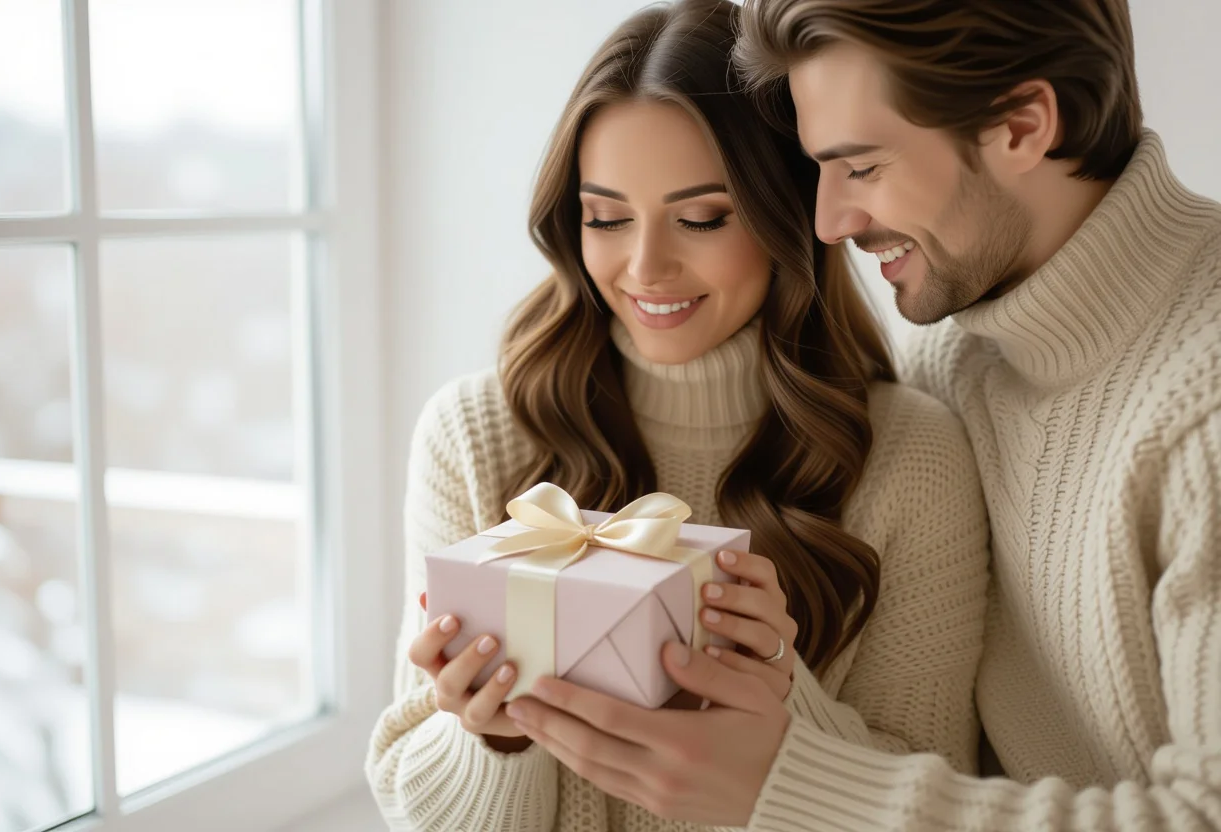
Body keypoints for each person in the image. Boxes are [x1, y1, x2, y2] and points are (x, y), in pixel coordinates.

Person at [513, 0, 1221, 829]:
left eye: (863, 166)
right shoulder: (955, 360)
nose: (826, 222)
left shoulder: (1200, 410)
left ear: (1023, 125)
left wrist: (792, 789)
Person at [364, 1, 990, 830]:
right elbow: (413, 805)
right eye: (606, 218)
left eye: (701, 218)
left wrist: (779, 695)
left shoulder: (910, 455)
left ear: (786, 213)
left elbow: (928, 792)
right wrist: (489, 736)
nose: (646, 267)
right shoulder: (478, 435)